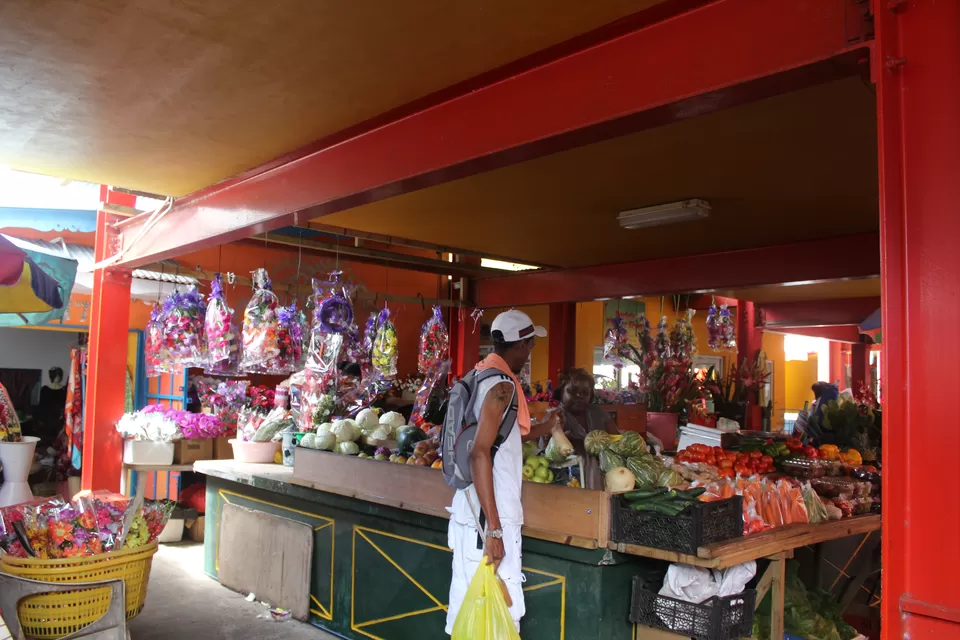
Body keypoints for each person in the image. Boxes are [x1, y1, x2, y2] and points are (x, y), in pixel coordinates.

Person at [445, 310, 557, 635]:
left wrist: (545, 427)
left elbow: (501, 437)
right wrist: (494, 531)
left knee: (468, 613)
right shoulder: (502, 387)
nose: (530, 351)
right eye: (530, 344)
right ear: (520, 345)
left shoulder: (479, 375)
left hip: (469, 513)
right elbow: (481, 451)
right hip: (488, 521)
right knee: (501, 617)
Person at [554, 368, 619, 489]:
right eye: (572, 391)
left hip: (607, 482)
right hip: (568, 486)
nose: (579, 396)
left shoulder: (599, 413)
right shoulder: (555, 417)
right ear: (562, 392)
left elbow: (616, 440)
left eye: (585, 393)